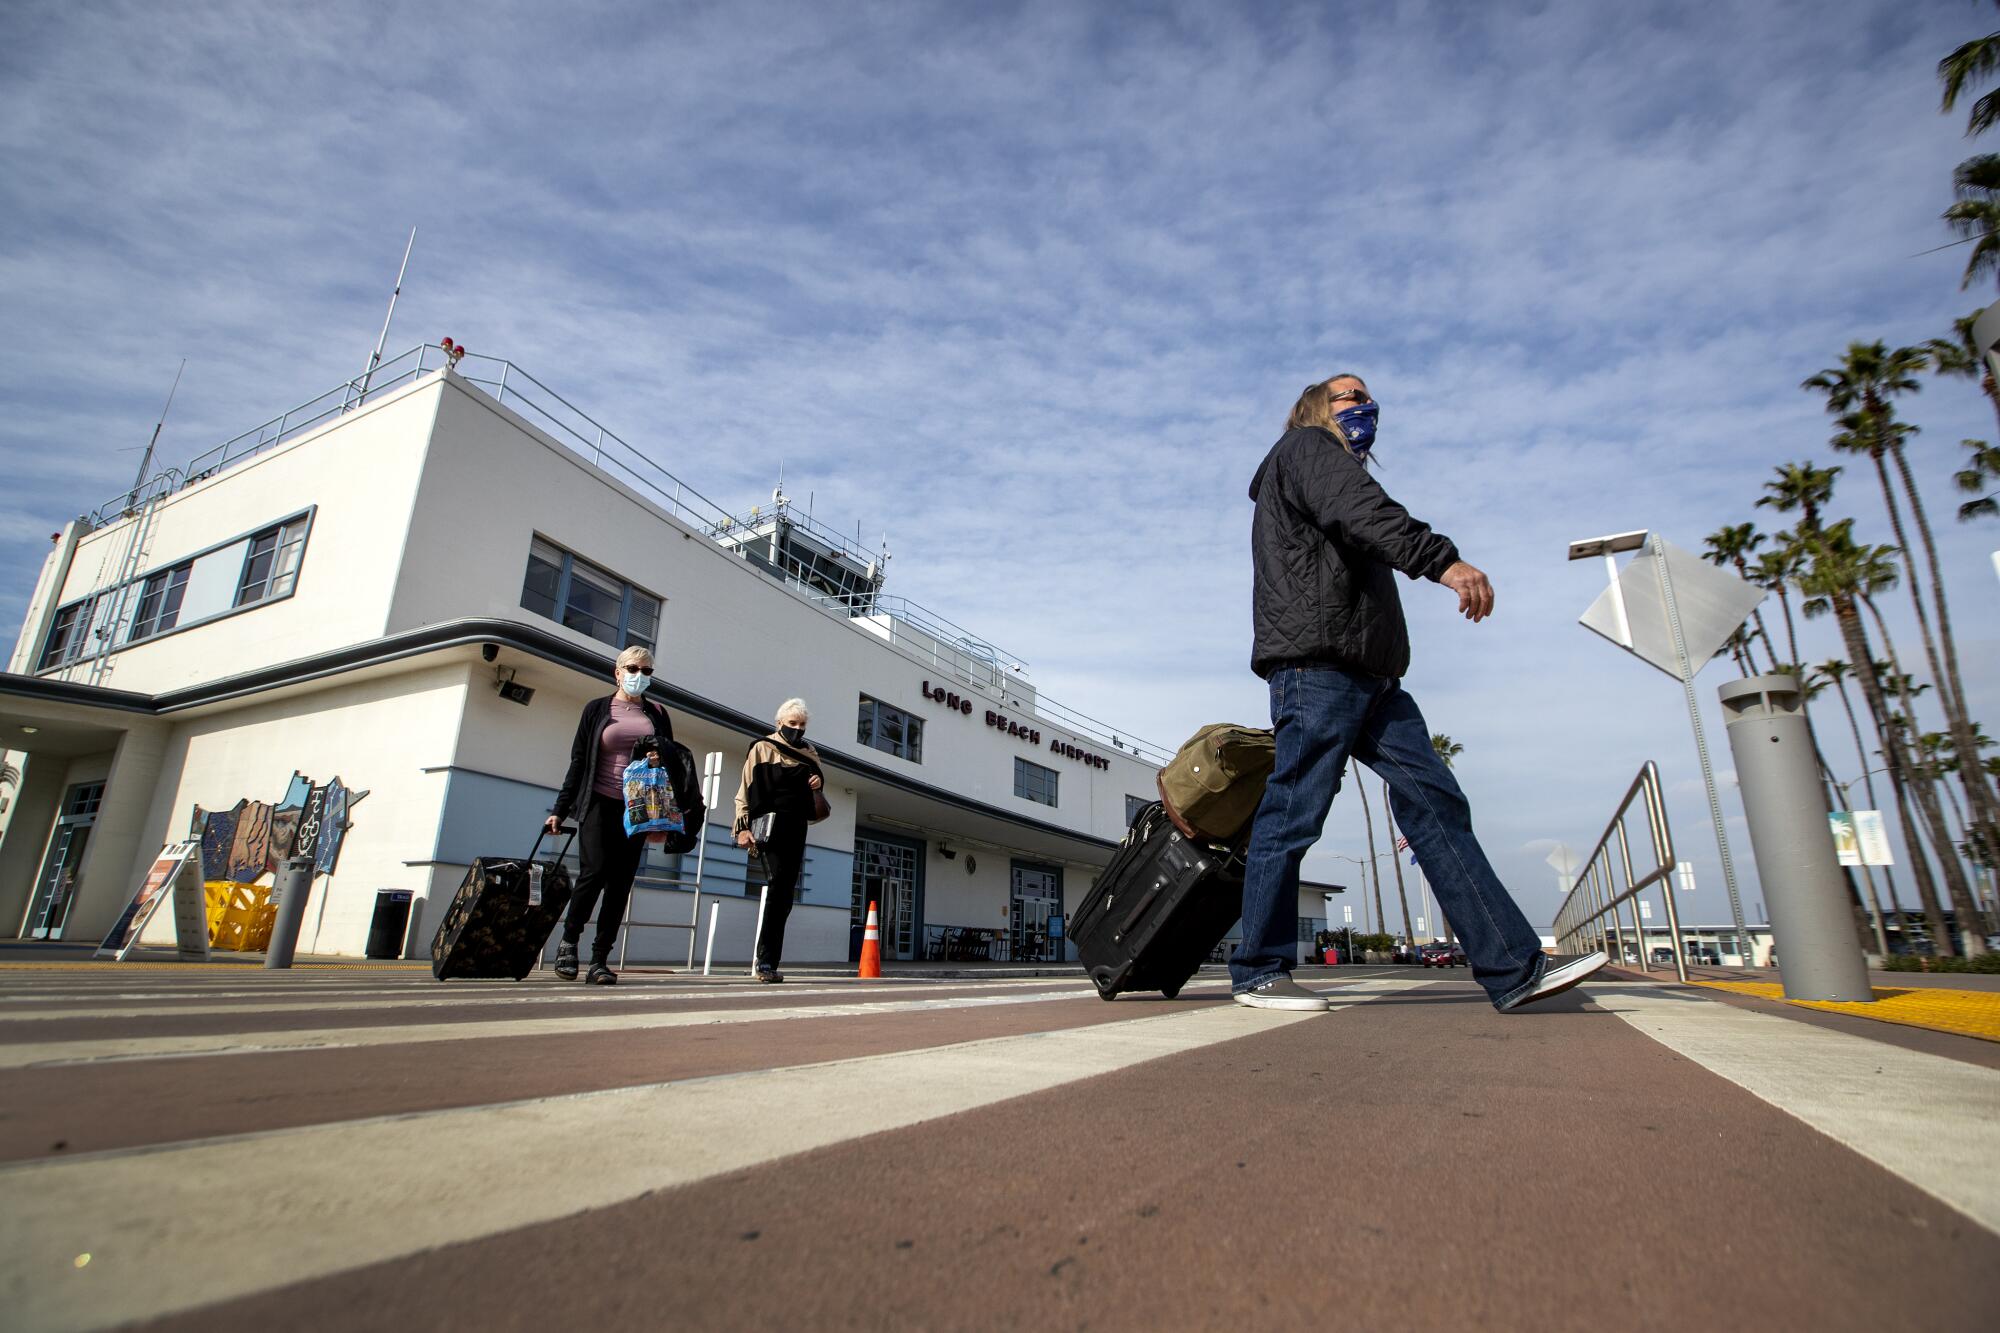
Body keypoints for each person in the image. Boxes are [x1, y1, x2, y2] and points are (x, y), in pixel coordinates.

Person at [1233, 374, 1605, 1012]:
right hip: (1318, 666)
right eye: (1350, 396)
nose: (1366, 406)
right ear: (1315, 408)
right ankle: (1259, 970)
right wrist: (1443, 561)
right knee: (1294, 811)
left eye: (1369, 398)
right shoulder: (1306, 451)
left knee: (1436, 804)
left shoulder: (1323, 463)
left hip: (1372, 675)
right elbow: (1366, 514)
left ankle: (1513, 968)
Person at [546, 645, 677, 985]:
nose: (640, 676)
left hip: (638, 810)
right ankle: (569, 943)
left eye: (647, 671)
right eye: (634, 669)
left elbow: (671, 764)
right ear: (618, 672)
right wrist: (560, 810)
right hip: (599, 802)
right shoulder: (597, 710)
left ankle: (600, 959)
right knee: (595, 872)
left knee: (620, 884)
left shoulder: (658, 714)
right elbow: (579, 761)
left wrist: (658, 760)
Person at [733, 698, 825, 983]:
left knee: (784, 894)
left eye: (802, 725)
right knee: (776, 886)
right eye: (792, 724)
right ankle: (765, 961)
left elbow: (819, 793)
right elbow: (745, 789)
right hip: (767, 825)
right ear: (779, 723)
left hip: (796, 826)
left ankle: (769, 961)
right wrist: (741, 827)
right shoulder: (762, 748)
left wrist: (817, 784)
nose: (797, 729)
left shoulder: (810, 753)